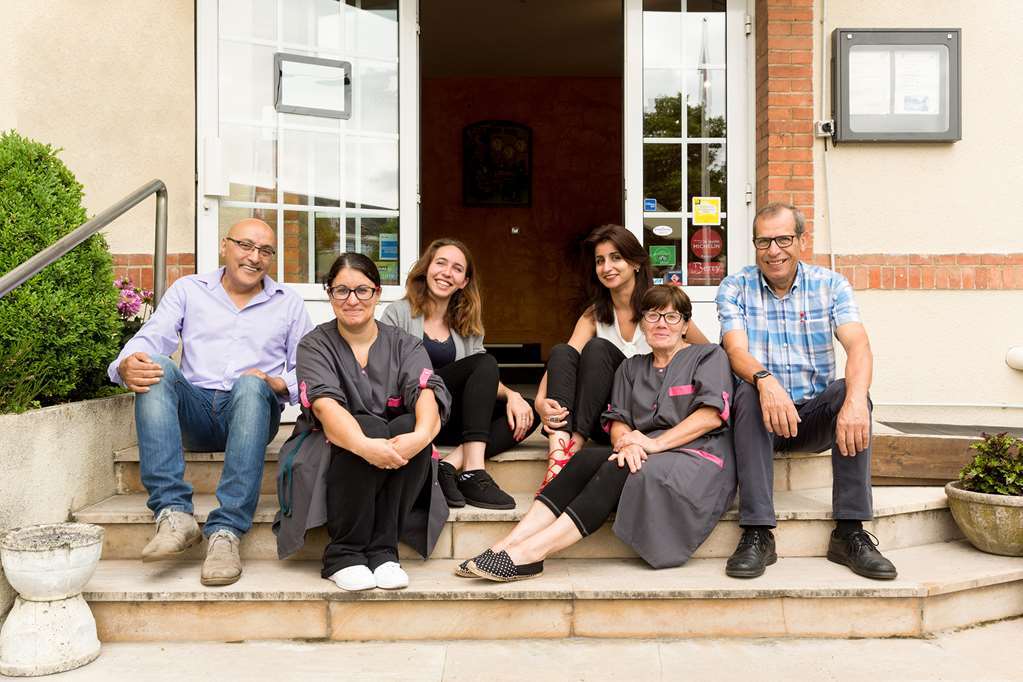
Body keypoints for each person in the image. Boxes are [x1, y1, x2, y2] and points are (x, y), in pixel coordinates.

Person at [462, 285, 735, 580]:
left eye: (671, 317)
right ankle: (509, 543)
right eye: (653, 316)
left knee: (617, 466)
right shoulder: (631, 367)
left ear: (685, 325)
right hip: (645, 452)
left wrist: (652, 445)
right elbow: (617, 419)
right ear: (642, 323)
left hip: (698, 457)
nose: (661, 324)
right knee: (583, 460)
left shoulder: (708, 356)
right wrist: (626, 444)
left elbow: (709, 416)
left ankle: (531, 554)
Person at [107, 218, 312, 586]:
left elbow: (309, 371)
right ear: (224, 245)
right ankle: (174, 515)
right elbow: (150, 338)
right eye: (245, 245)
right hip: (196, 412)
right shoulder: (189, 290)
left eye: (265, 251)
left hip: (251, 412)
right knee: (155, 366)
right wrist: (126, 364)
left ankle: (227, 532)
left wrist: (274, 381)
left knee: (250, 384)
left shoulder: (289, 304)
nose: (254, 257)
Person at [715, 203, 897, 580]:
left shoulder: (831, 285)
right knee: (747, 389)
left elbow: (859, 346)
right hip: (760, 417)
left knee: (853, 392)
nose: (773, 250)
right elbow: (735, 351)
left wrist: (854, 403)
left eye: (783, 239)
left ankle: (849, 533)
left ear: (801, 240)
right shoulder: (736, 286)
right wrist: (766, 381)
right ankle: (757, 532)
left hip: (810, 418)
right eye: (763, 241)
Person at [280, 253, 451, 592]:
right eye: (341, 290)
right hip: (330, 443)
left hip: (393, 451)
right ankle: (343, 554)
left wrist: (419, 437)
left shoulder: (404, 343)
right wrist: (365, 446)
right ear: (329, 295)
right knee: (368, 427)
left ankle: (384, 551)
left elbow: (426, 392)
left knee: (408, 425)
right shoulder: (314, 344)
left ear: (377, 292)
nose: (352, 300)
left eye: (362, 290)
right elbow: (327, 409)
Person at [533, 224, 709, 489]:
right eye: (600, 261)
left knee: (597, 350)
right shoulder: (595, 313)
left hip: (644, 418)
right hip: (605, 420)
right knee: (562, 351)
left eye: (616, 258)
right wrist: (539, 402)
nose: (607, 267)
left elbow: (707, 354)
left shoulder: (660, 311)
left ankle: (573, 445)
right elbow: (564, 360)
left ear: (636, 263)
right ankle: (558, 455)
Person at [381, 238, 539, 510]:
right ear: (426, 268)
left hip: (452, 420)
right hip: (416, 415)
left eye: (456, 268)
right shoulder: (397, 314)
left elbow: (481, 378)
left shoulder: (468, 322)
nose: (446, 272)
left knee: (527, 412)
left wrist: (513, 395)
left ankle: (450, 465)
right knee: (484, 362)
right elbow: (388, 373)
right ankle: (474, 471)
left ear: (464, 281)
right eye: (440, 263)